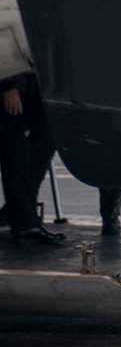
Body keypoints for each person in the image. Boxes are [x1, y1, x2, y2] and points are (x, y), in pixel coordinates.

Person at [0, 72, 64, 242]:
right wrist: (5, 86)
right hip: (10, 86)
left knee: (21, 153)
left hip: (25, 88)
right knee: (16, 154)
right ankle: (24, 219)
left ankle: (23, 216)